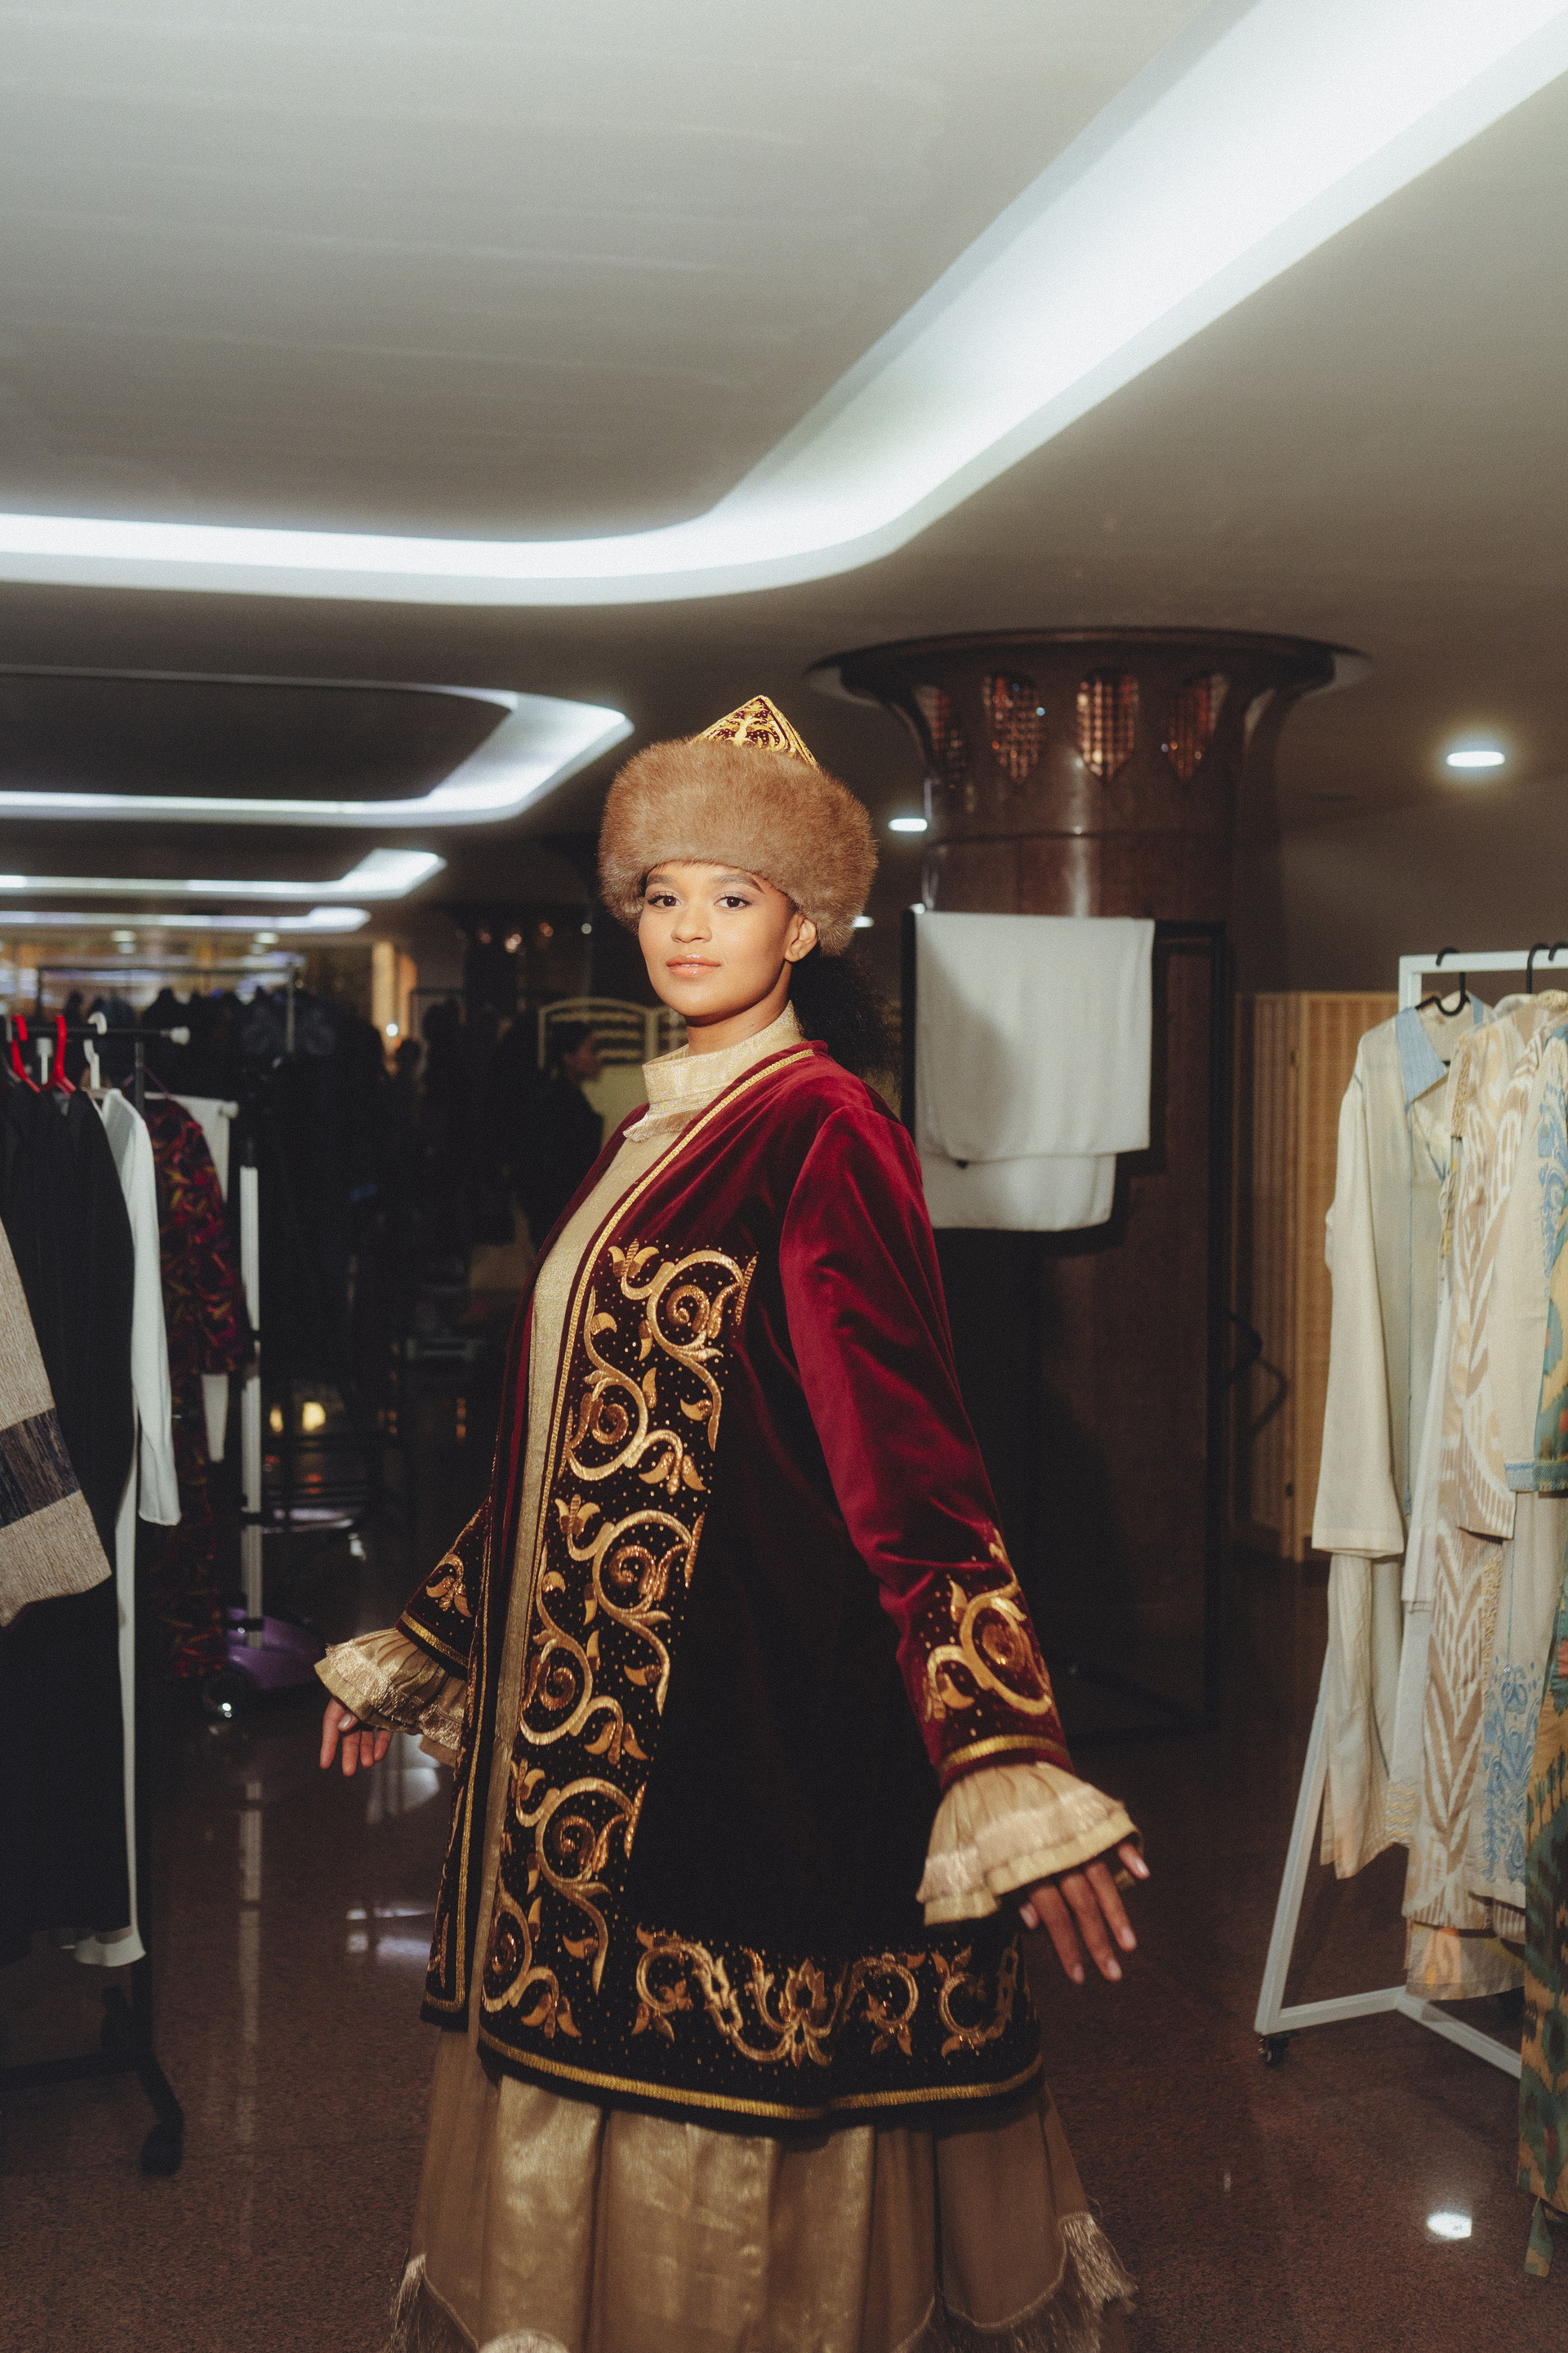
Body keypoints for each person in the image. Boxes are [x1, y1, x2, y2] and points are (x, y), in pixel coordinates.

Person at [318, 697, 1146, 2353]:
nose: (688, 927)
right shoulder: (646, 1131)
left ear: (809, 923)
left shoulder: (824, 1133)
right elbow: (557, 1442)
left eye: (733, 894)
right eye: (662, 892)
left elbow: (911, 1463)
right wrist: (434, 1635)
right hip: (572, 1744)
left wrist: (1001, 1744)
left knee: (716, 2073)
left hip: (734, 1710)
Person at [514, 1021, 604, 1247]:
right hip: (558, 1215)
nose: (597, 1058)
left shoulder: (561, 1097)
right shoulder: (561, 1103)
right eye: (591, 1050)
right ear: (568, 1057)